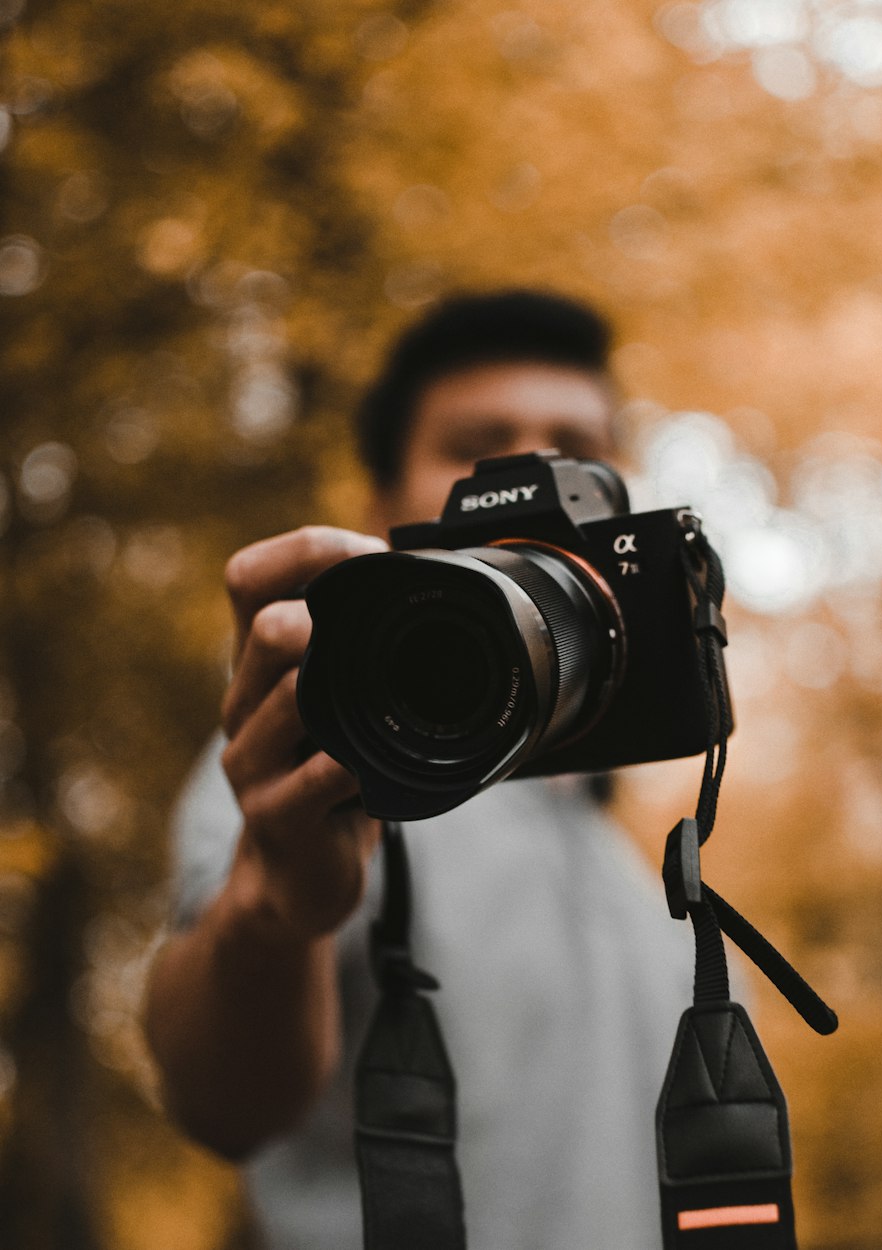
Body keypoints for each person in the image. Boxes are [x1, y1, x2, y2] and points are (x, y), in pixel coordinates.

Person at [145, 290, 699, 1250]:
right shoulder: (312, 765)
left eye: (575, 445)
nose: (529, 476)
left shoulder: (633, 862)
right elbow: (220, 1105)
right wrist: (269, 913)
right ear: (382, 509)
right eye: (476, 445)